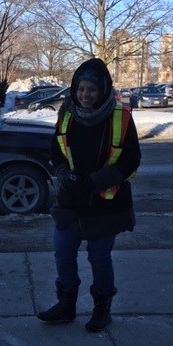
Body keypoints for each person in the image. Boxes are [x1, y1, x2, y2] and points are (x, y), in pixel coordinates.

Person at [37, 57, 141, 332]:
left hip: (106, 204)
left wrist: (96, 181)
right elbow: (56, 151)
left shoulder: (121, 117)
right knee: (63, 253)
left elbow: (131, 159)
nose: (85, 95)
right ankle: (66, 305)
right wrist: (62, 173)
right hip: (71, 201)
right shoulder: (67, 114)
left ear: (103, 89)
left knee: (98, 257)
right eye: (81, 89)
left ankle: (101, 309)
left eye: (92, 89)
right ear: (74, 89)